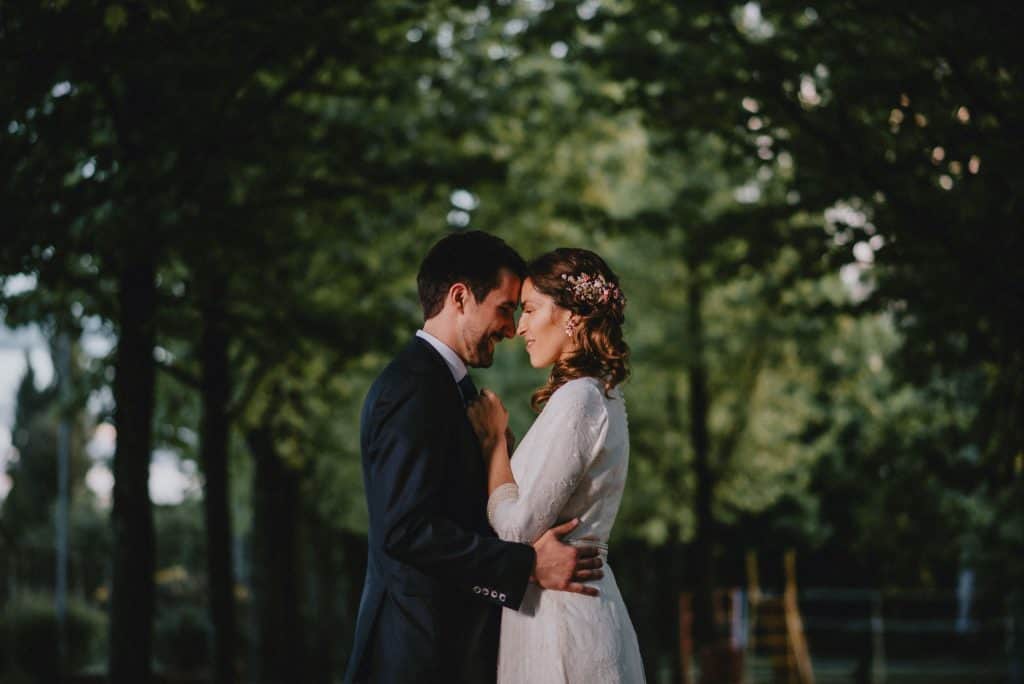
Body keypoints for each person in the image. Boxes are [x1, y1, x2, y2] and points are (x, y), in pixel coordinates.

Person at [344, 232, 605, 684]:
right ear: (460, 298)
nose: (510, 329)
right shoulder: (411, 388)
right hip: (418, 655)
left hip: (454, 648)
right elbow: (407, 530)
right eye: (505, 309)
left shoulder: (454, 388)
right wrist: (527, 565)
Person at [467, 247, 646, 683]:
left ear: (575, 316)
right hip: (560, 610)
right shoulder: (597, 395)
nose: (520, 326)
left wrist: (493, 447)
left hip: (563, 623)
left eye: (529, 309)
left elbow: (516, 530)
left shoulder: (580, 399)